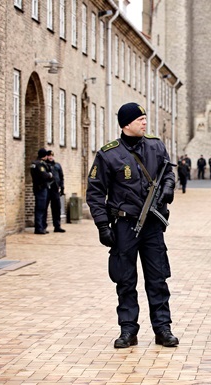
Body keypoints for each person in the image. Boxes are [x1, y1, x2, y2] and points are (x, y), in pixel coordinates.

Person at [86, 102, 179, 349]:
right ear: (126, 124)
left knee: (158, 278)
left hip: (152, 224)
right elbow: (95, 192)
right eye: (140, 120)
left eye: (145, 118)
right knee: (125, 280)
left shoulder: (156, 146)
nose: (145, 123)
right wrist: (102, 226)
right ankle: (128, 330)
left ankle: (163, 329)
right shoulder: (108, 154)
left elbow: (168, 171)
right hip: (124, 225)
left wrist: (168, 187)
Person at [30, 148, 53, 235]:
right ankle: (39, 228)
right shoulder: (39, 164)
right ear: (44, 156)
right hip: (41, 188)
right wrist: (50, 175)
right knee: (41, 209)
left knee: (41, 208)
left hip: (39, 188)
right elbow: (44, 175)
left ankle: (42, 226)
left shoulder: (34, 163)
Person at [45, 150, 66, 233]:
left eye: (52, 156)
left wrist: (62, 188)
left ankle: (57, 226)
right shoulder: (45, 165)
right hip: (47, 189)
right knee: (44, 208)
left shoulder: (57, 165)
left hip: (55, 189)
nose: (50, 157)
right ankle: (43, 226)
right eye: (49, 155)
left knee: (57, 208)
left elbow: (61, 177)